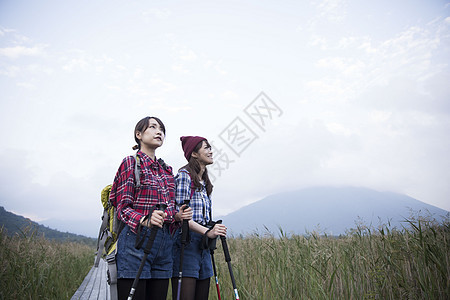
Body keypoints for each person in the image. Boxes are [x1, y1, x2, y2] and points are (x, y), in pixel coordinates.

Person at [109, 116, 192, 300]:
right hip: (135, 242)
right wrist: (145, 219)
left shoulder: (167, 170)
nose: (159, 132)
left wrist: (178, 215)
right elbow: (122, 207)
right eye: (153, 127)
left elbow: (170, 209)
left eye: (161, 129)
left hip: (164, 244)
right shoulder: (130, 163)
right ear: (138, 135)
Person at [172, 136, 227, 300]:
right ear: (194, 153)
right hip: (186, 243)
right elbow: (181, 215)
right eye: (206, 147)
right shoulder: (184, 176)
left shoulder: (204, 182)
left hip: (203, 245)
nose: (211, 151)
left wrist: (211, 230)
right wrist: (207, 232)